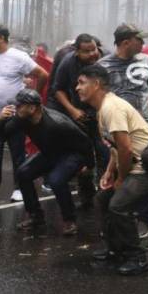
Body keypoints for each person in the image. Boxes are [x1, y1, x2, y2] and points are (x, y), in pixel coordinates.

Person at [76, 64, 148, 276]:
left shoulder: (112, 107)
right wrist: (109, 172)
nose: (77, 88)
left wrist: (121, 177)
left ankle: (137, 257)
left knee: (119, 205)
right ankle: (115, 248)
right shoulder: (103, 108)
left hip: (146, 167)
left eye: (82, 83)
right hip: (134, 163)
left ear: (97, 84)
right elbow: (116, 146)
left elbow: (126, 147)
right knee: (102, 200)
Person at [0, 89, 92, 236]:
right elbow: (1, 137)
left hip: (72, 154)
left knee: (56, 180)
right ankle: (36, 216)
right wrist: (1, 120)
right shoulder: (21, 118)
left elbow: (85, 142)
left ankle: (69, 220)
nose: (16, 108)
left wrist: (88, 166)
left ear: (32, 108)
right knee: (23, 173)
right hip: (50, 152)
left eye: (20, 105)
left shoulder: (56, 123)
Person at [0, 24, 48, 206]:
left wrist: (33, 98)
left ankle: (19, 188)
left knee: (18, 153)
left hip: (15, 114)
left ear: (2, 37)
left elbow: (42, 75)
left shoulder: (18, 57)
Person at [99, 24, 148, 238]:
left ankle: (144, 220)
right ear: (125, 42)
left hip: (145, 128)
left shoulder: (147, 61)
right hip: (116, 129)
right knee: (116, 173)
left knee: (145, 174)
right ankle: (117, 219)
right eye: (139, 40)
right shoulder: (102, 67)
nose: (143, 44)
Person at [48, 33, 106, 203]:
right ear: (76, 52)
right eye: (86, 51)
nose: (92, 54)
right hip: (80, 115)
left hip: (103, 115)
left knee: (105, 152)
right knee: (83, 154)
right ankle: (86, 194)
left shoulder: (107, 59)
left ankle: (107, 191)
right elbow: (57, 89)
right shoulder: (68, 62)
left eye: (94, 49)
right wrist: (72, 110)